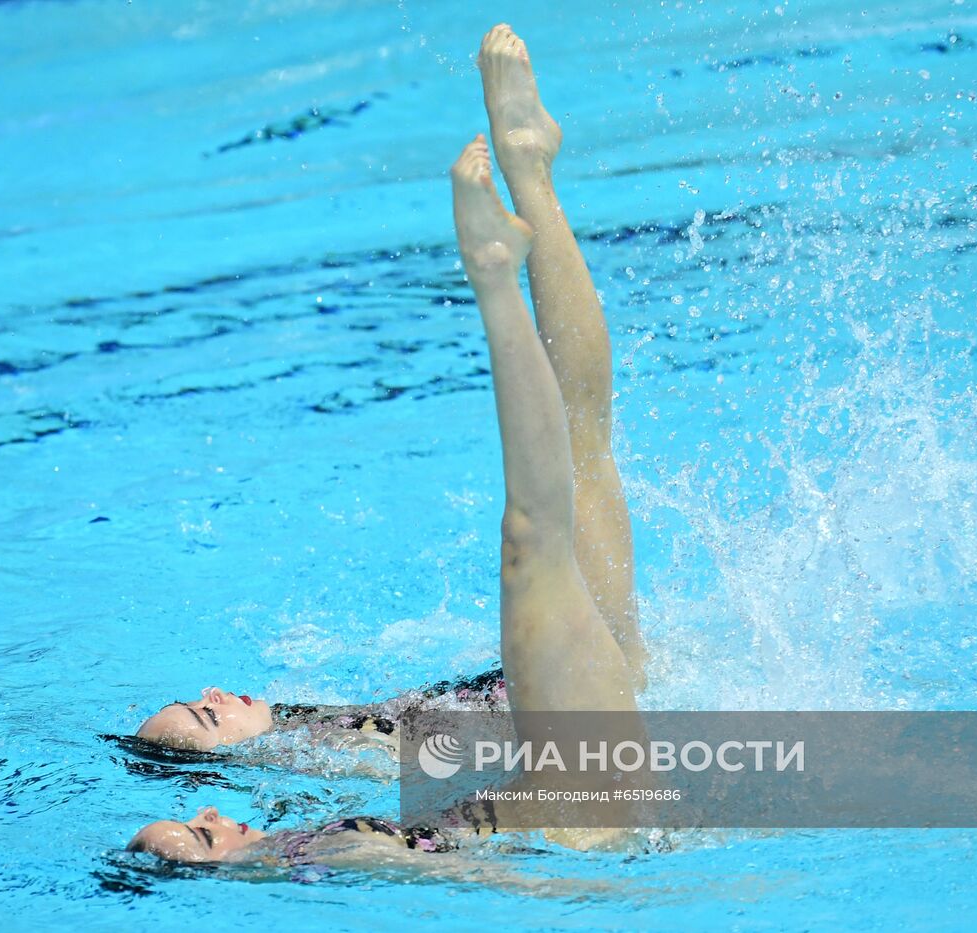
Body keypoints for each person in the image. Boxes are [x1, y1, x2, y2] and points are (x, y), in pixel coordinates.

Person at [129, 23, 646, 863]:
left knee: (579, 458)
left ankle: (530, 180)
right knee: (539, 525)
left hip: (578, 722)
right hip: (584, 767)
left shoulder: (319, 766)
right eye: (203, 715)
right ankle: (499, 265)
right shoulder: (315, 807)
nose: (213, 693)